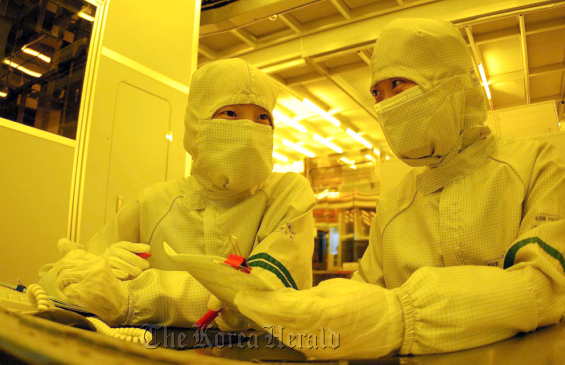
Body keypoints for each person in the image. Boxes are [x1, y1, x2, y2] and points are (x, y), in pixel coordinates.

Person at [231, 18, 565, 358]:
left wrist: (404, 314)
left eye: (398, 84)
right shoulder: (394, 204)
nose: (386, 104)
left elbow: (547, 286)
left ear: (449, 82)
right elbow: (364, 291)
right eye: (377, 93)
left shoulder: (537, 165)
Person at [38, 58, 315, 328]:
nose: (249, 128)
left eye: (262, 117)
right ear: (197, 123)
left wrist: (129, 296)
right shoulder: (153, 203)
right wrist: (95, 273)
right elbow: (51, 284)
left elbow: (262, 295)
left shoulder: (288, 194)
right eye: (230, 113)